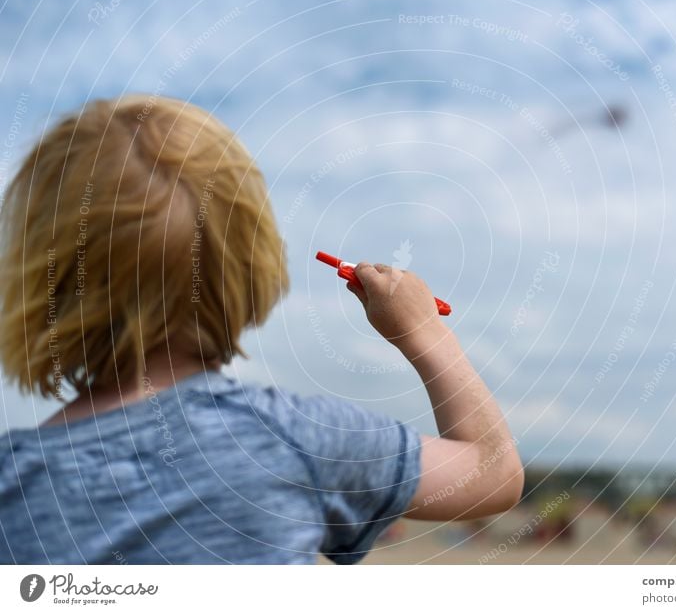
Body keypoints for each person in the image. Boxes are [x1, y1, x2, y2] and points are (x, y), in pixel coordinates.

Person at [0, 96, 523, 564]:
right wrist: (424, 331)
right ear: (250, 267)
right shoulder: (291, 438)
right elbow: (493, 473)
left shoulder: (11, 482)